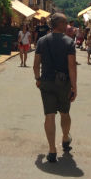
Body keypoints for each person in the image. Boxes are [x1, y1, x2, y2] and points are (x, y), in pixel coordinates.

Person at [33, 13, 77, 163]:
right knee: (65, 113)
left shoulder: (42, 41)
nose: (67, 26)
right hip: (63, 83)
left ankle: (52, 150)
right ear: (60, 24)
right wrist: (74, 86)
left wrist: (38, 78)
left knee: (49, 115)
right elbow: (71, 66)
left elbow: (36, 64)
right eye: (65, 23)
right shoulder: (69, 42)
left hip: (46, 82)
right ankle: (65, 138)